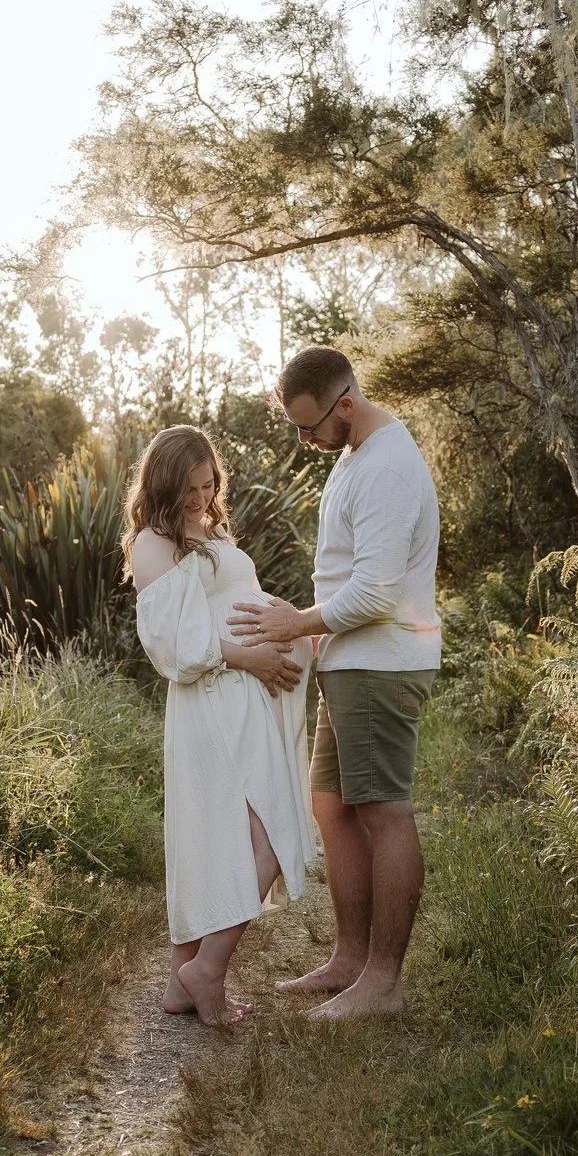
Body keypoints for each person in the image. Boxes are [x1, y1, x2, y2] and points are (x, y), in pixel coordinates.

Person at [231, 347, 440, 1021]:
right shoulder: (353, 456)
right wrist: (311, 633)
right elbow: (346, 572)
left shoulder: (387, 467)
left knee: (385, 811)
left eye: (310, 426)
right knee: (331, 806)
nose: (305, 440)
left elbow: (376, 593)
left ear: (345, 403)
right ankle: (350, 960)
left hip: (383, 661)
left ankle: (383, 981)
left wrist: (297, 622)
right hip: (348, 663)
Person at [126, 424, 319, 1026]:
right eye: (188, 489)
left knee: (234, 832)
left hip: (247, 699)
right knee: (263, 829)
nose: (201, 499)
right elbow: (171, 643)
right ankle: (208, 969)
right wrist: (252, 657)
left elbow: (236, 603)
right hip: (211, 702)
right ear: (163, 484)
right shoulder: (153, 544)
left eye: (209, 485)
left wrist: (291, 637)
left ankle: (182, 983)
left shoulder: (211, 531)